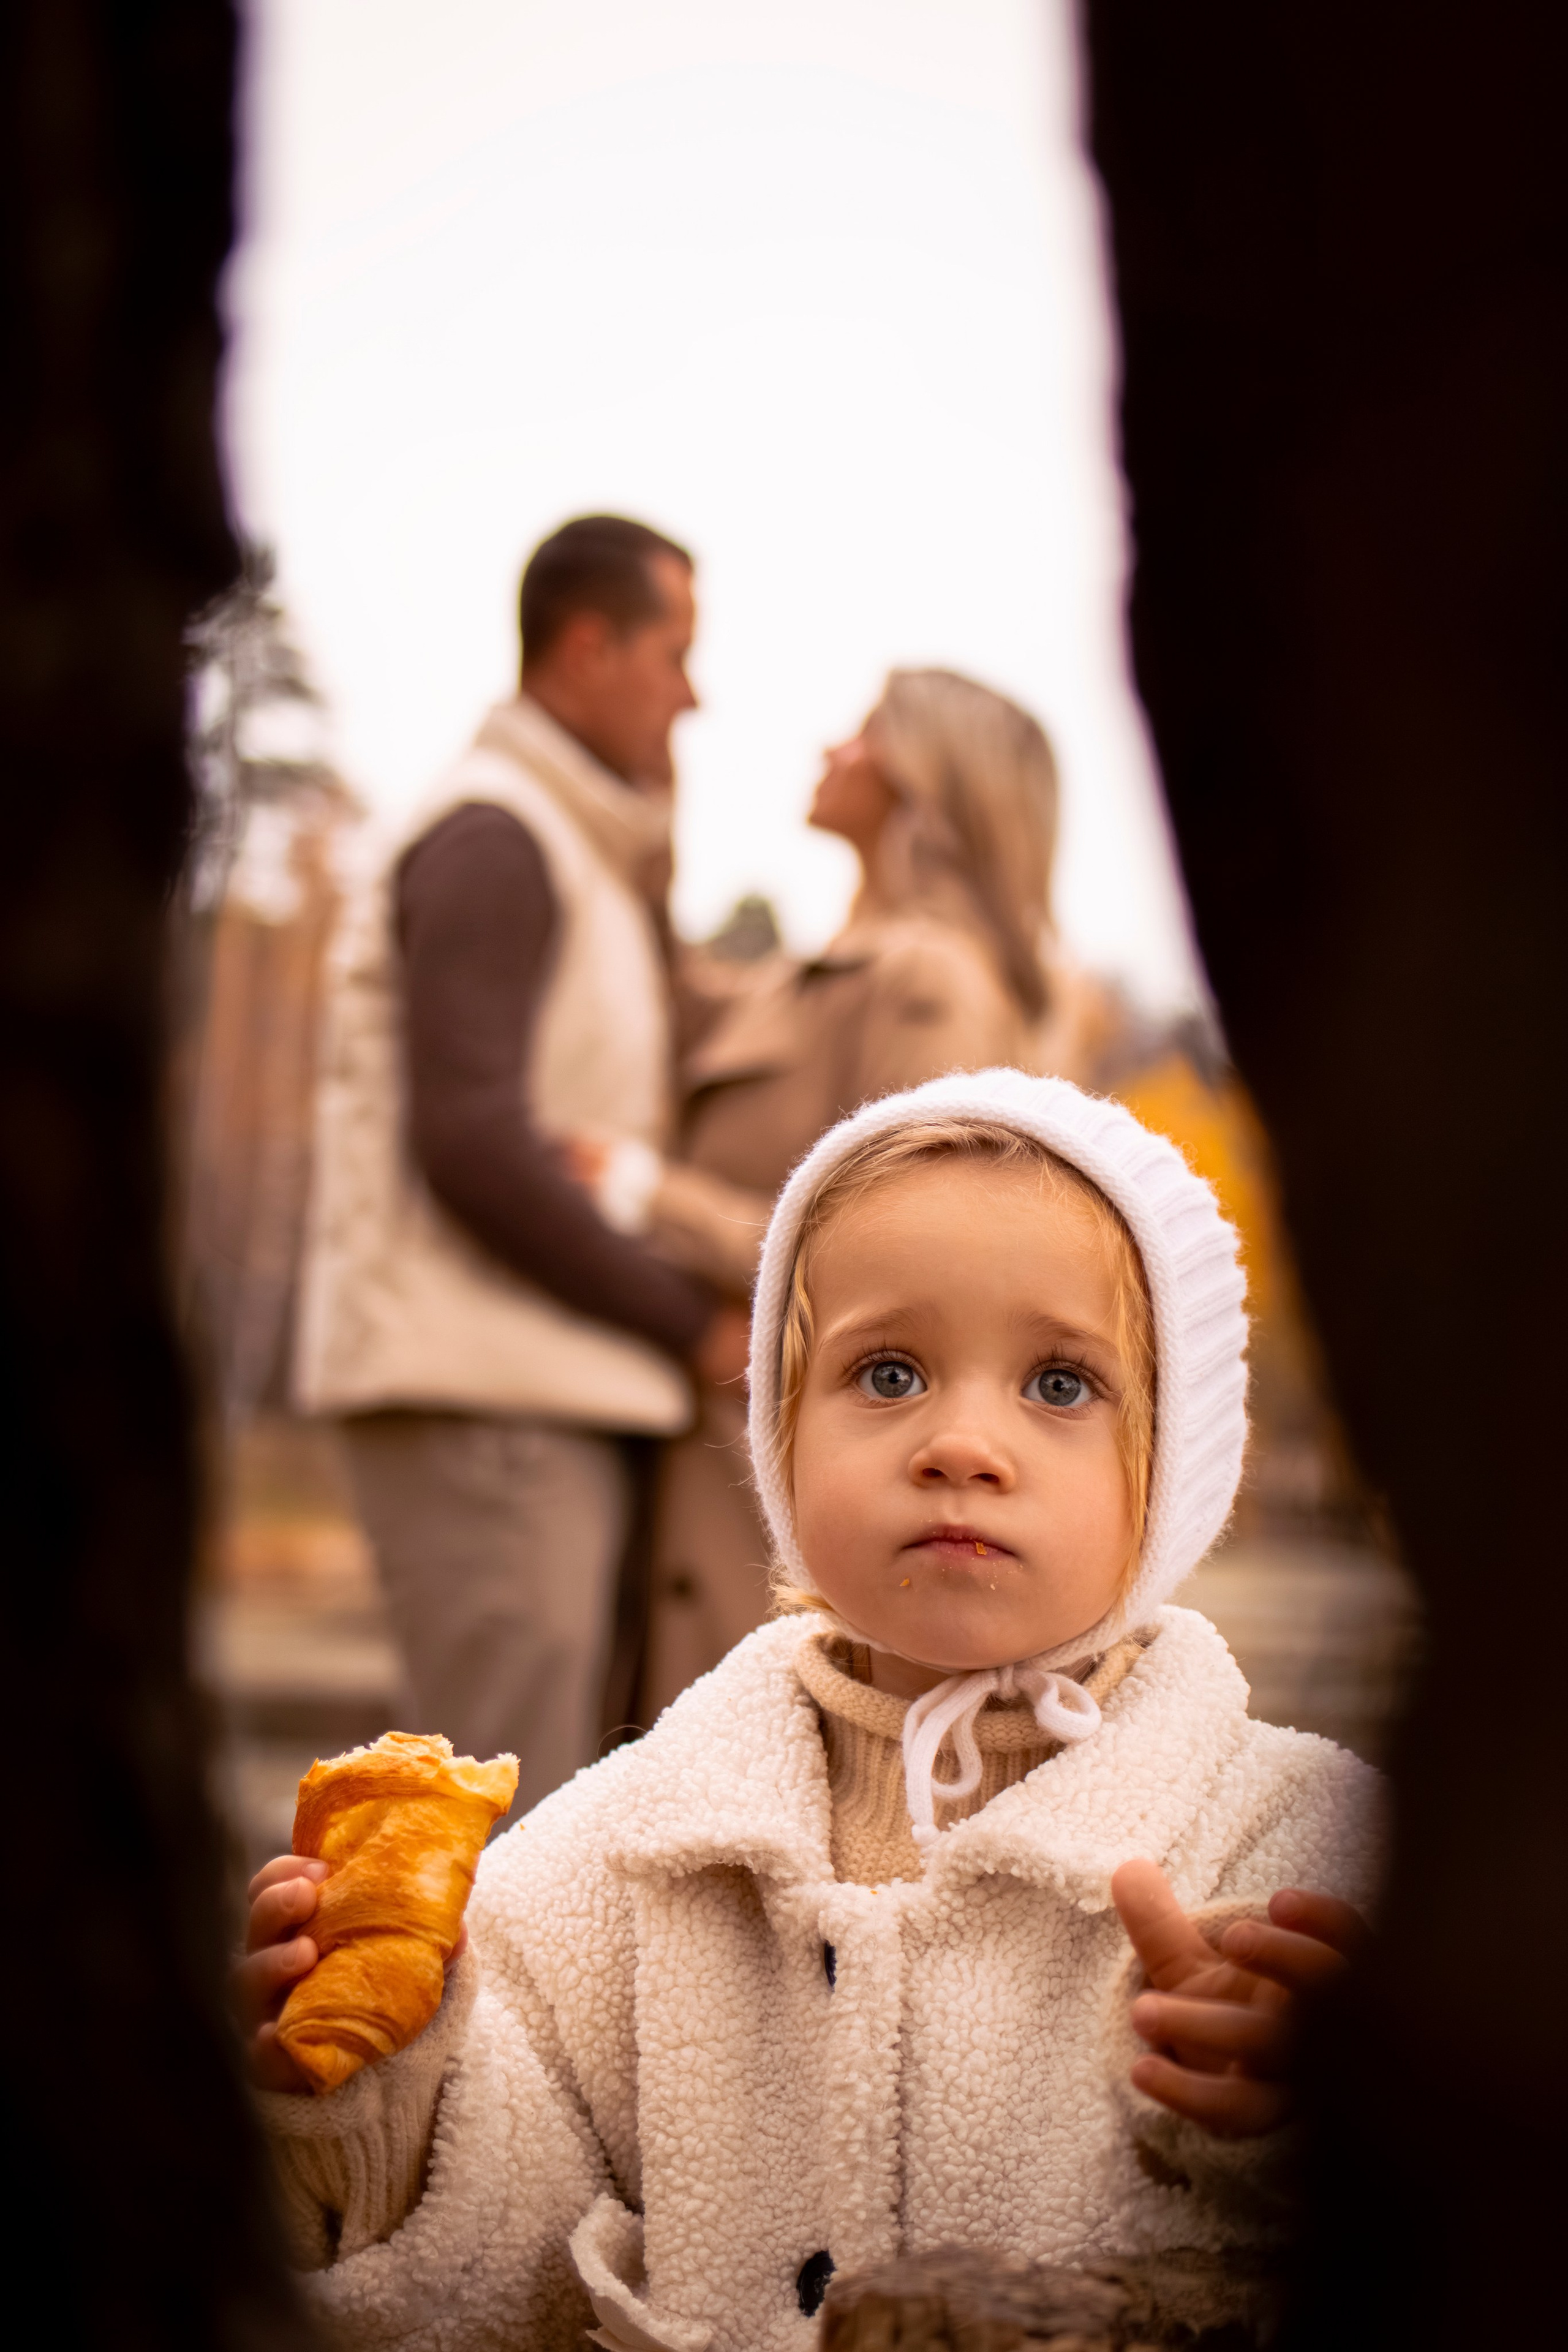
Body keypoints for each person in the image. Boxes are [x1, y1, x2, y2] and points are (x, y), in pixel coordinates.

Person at [243, 1066, 1380, 2350]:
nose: (959, 1444)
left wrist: (1305, 2108)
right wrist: (373, 2090)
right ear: (779, 1437)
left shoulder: (1298, 1844)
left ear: (1177, 1467)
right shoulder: (619, 1859)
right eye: (887, 1373)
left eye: (1059, 1385)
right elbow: (501, 2277)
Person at [293, 514, 748, 1820]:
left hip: (533, 1395)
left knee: (544, 1829)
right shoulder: (497, 839)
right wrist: (688, 1320)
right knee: (501, 1837)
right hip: (484, 1403)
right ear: (587, 646)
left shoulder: (569, 843)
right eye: (675, 653)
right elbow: (472, 1139)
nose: (691, 693)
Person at [638, 666, 1109, 1714]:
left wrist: (644, 1194)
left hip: (816, 1477)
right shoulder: (835, 969)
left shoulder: (932, 982)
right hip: (726, 1454)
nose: (830, 753)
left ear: (925, 783)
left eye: (862, 737)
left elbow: (898, 1250)